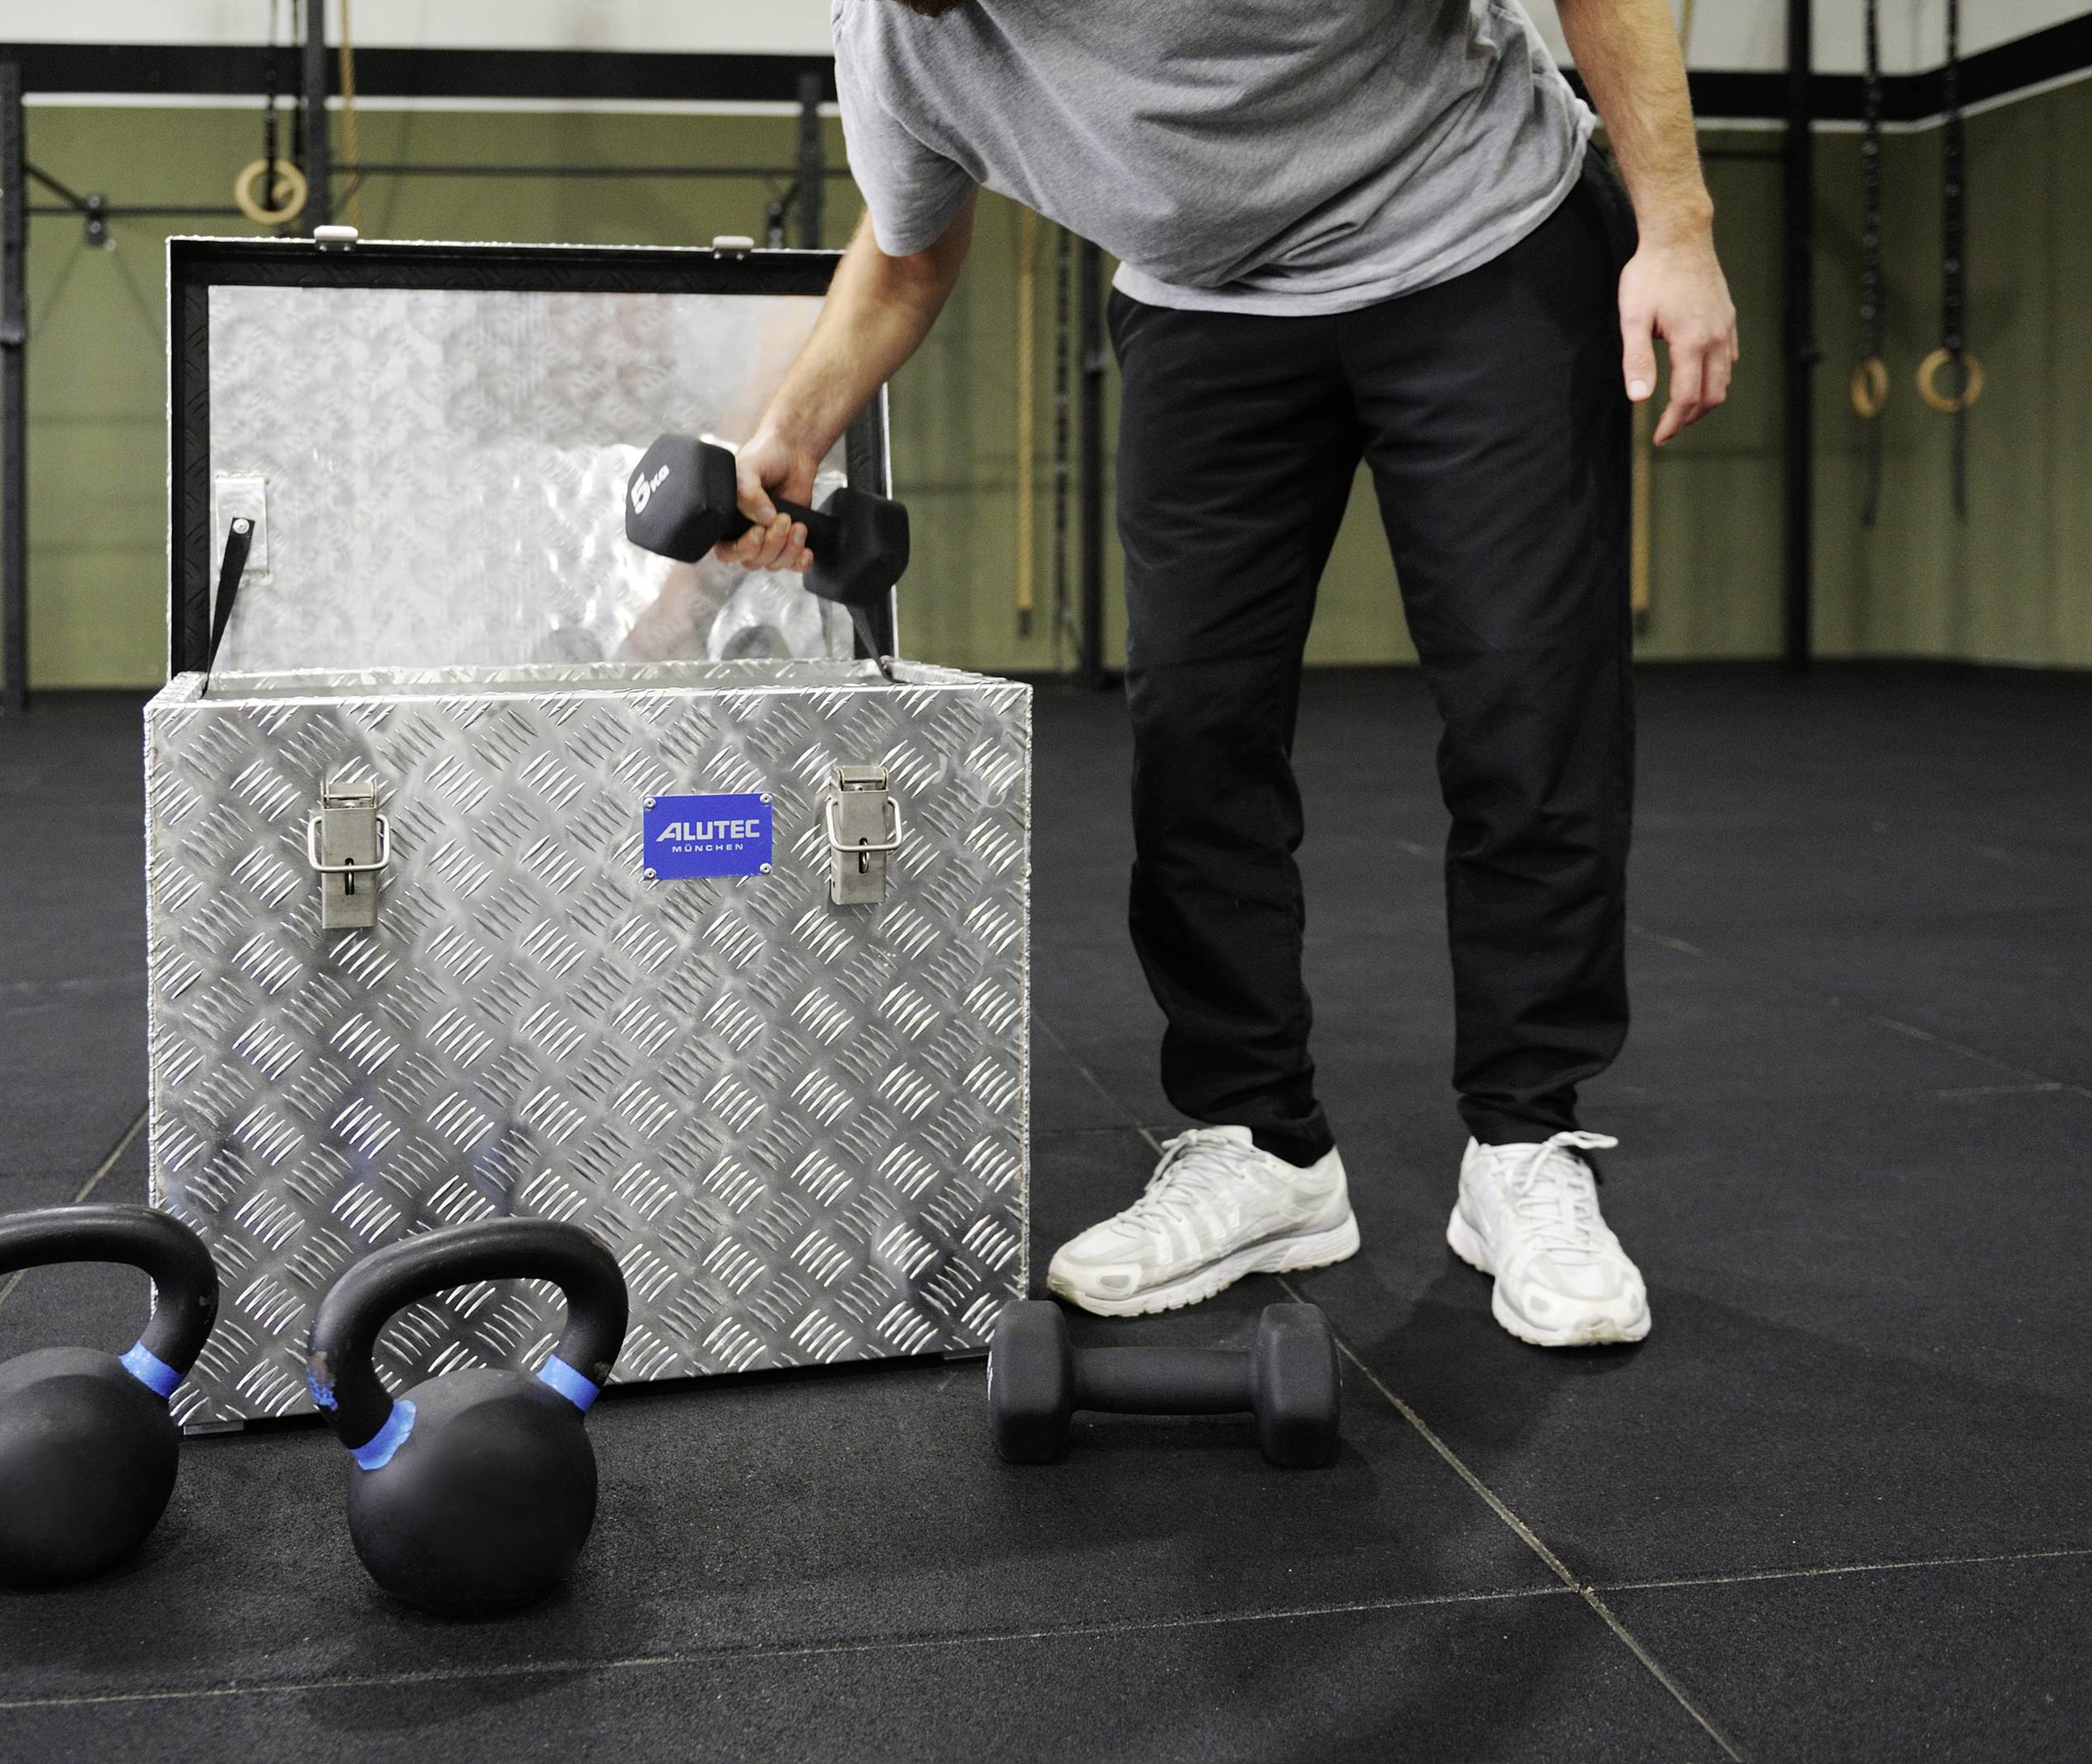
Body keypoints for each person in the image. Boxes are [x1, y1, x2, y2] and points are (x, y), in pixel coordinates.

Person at [715, 0, 1737, 1347]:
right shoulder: (901, 43)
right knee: (1194, 732)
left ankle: (1525, 1146)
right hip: (1206, 308)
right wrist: (788, 431)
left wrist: (1676, 225)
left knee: (1528, 709)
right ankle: (1265, 1147)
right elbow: (906, 258)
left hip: (1478, 243)